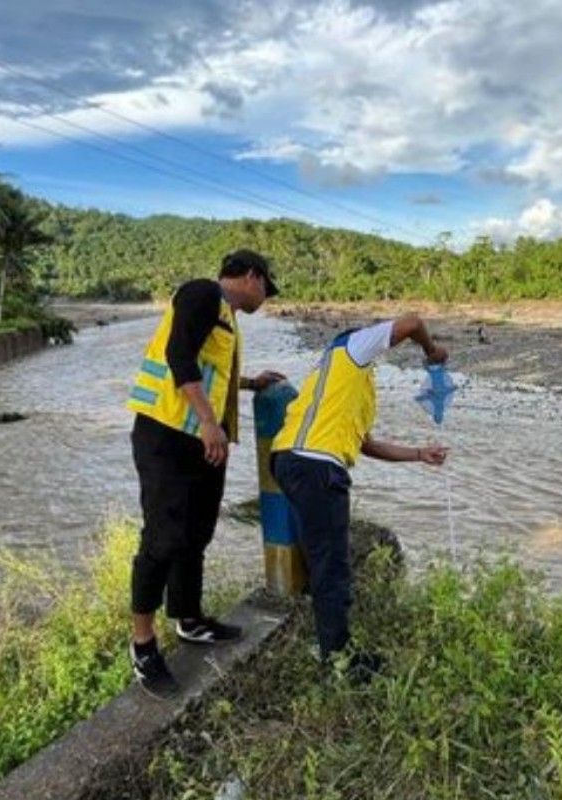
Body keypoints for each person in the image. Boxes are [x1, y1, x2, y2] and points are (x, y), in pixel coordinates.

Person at [126, 249, 285, 694]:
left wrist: (251, 383)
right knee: (161, 539)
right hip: (167, 435)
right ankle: (142, 645)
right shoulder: (202, 293)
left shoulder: (226, 317)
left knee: (195, 533)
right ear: (251, 276)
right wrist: (212, 425)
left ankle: (189, 619)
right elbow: (181, 357)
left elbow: (207, 370)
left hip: (199, 442)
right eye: (265, 289)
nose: (265, 298)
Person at [270, 315, 449, 680]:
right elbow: (412, 322)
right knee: (331, 566)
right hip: (316, 465)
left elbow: (364, 444)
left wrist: (418, 454)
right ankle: (339, 662)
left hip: (293, 461)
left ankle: (330, 645)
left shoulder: (344, 382)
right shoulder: (350, 348)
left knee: (322, 558)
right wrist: (432, 352)